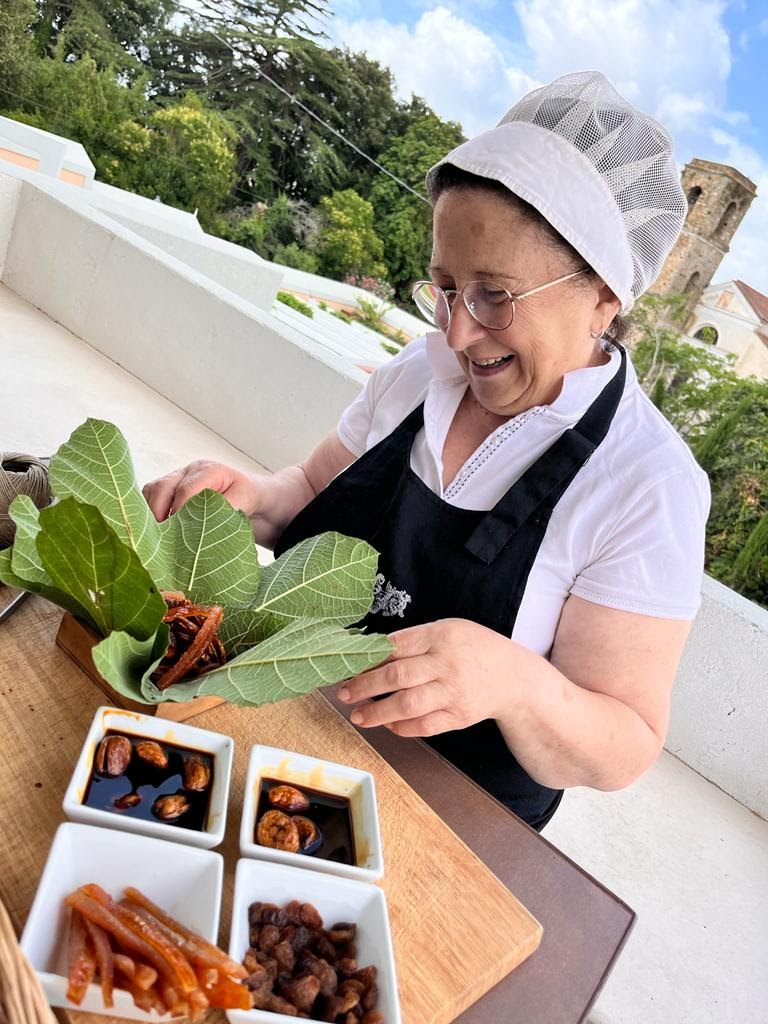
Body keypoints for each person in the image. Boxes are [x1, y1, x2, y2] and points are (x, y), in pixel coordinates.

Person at [143, 71, 710, 831]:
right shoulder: (422, 371)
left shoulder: (649, 484)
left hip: (448, 821)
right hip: (286, 735)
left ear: (604, 295)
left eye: (494, 295)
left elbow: (625, 743)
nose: (458, 333)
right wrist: (247, 495)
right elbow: (309, 489)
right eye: (444, 287)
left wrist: (517, 684)